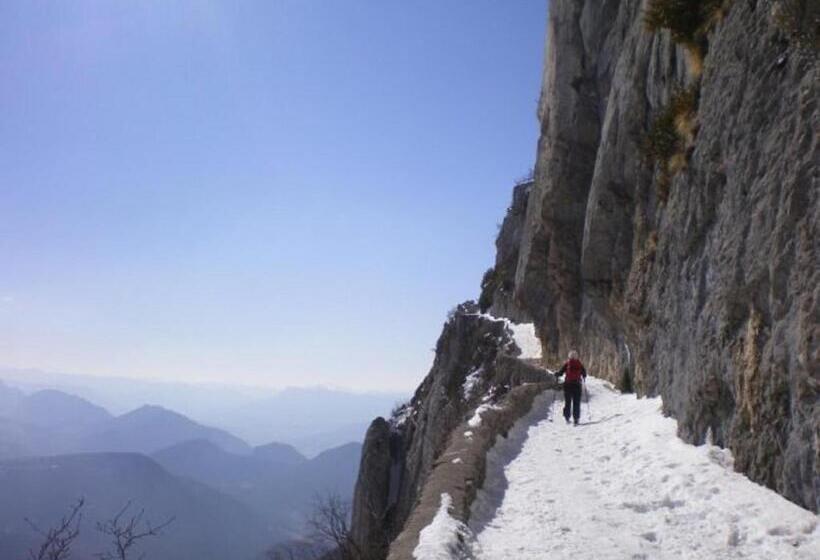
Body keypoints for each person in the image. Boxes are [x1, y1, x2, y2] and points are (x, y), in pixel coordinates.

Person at [554, 350, 587, 425]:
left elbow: (560, 373)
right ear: (576, 356)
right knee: (576, 402)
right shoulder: (579, 364)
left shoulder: (567, 364)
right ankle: (576, 418)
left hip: (568, 385)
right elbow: (584, 373)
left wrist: (557, 374)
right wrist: (584, 376)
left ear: (569, 357)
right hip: (577, 385)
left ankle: (567, 417)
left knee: (568, 402)